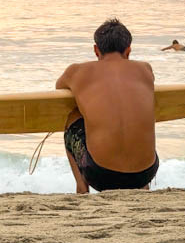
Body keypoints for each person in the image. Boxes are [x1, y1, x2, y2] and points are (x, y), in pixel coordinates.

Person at [56, 18, 159, 194]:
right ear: (128, 50)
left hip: (102, 175)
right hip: (145, 173)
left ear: (96, 50)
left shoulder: (76, 71)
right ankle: (144, 189)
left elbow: (59, 88)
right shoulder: (145, 70)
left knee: (73, 116)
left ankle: (82, 188)